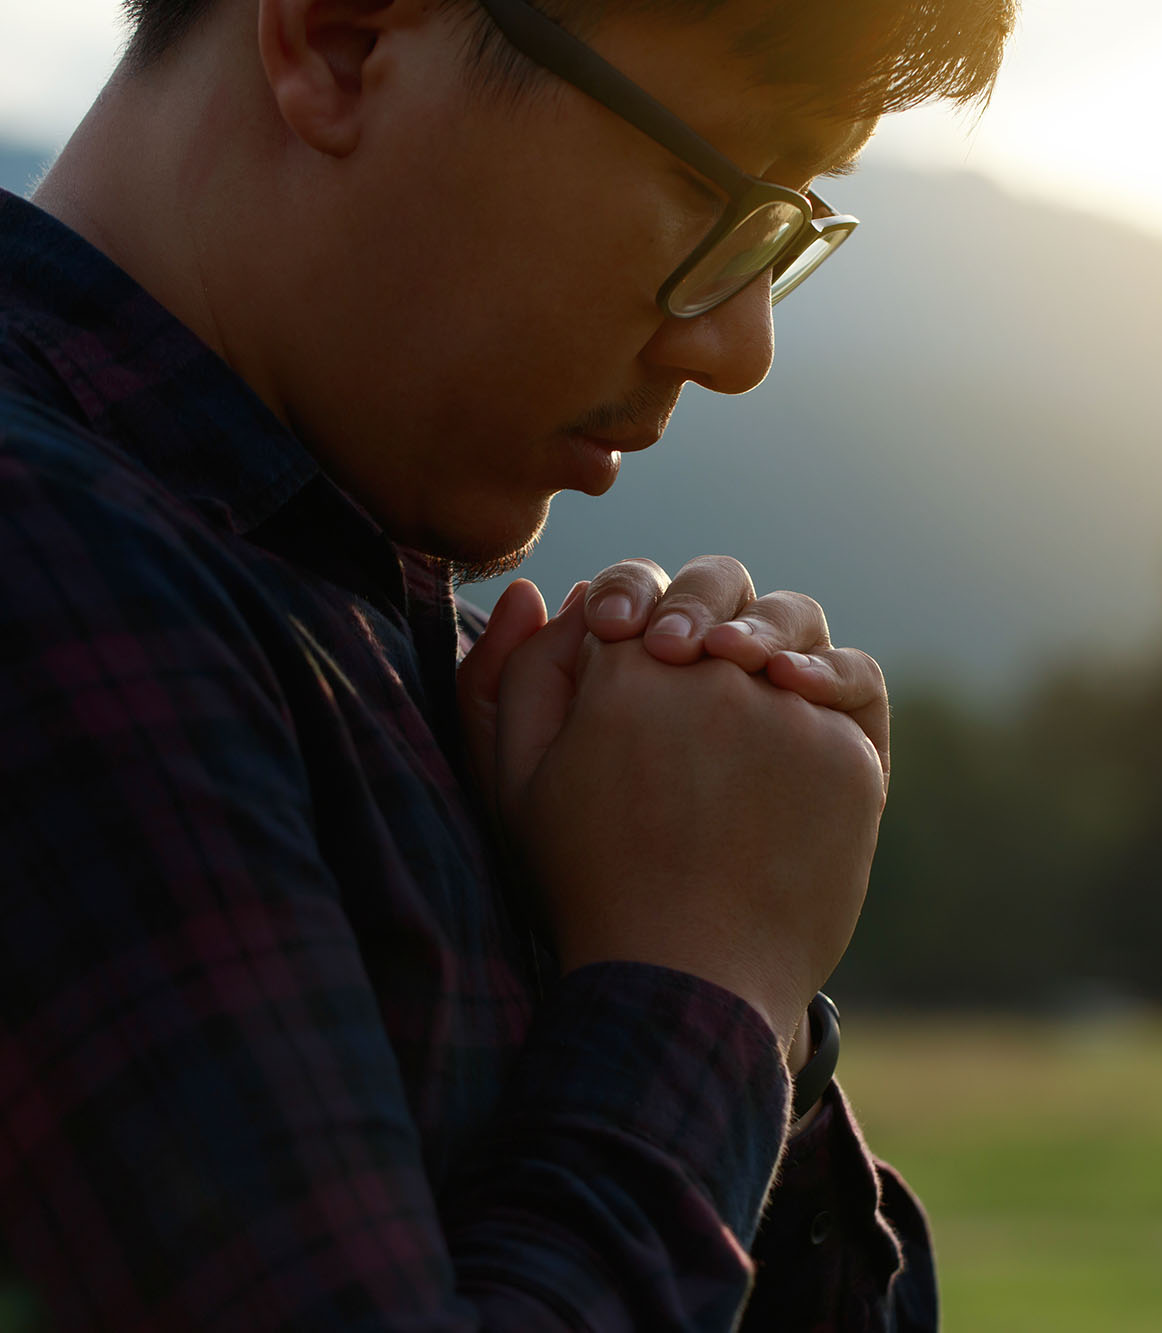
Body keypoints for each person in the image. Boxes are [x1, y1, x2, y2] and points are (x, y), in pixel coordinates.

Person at [0, 0, 1012, 1327]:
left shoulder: (370, 625)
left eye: (785, 226)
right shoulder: (50, 561)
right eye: (709, 185)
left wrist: (728, 966)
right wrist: (702, 973)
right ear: (341, 41)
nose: (739, 346)